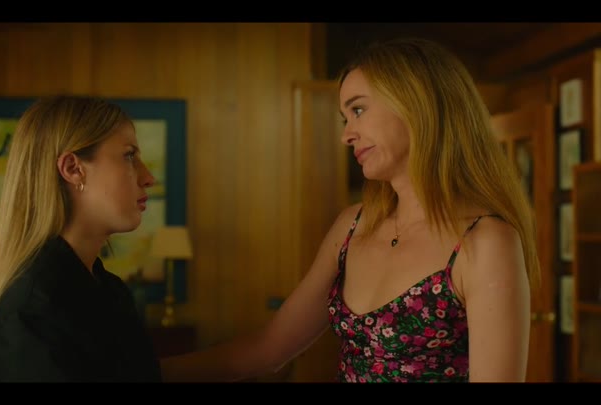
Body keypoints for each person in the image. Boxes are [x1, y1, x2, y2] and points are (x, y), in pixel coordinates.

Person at [160, 37, 539, 383]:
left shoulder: (485, 241)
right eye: (346, 118)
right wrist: (148, 372)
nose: (346, 135)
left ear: (417, 102)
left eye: (358, 110)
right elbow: (268, 351)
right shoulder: (353, 226)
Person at [0, 95, 161, 382]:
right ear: (72, 168)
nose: (148, 177)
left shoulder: (108, 292)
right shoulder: (33, 314)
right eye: (129, 155)